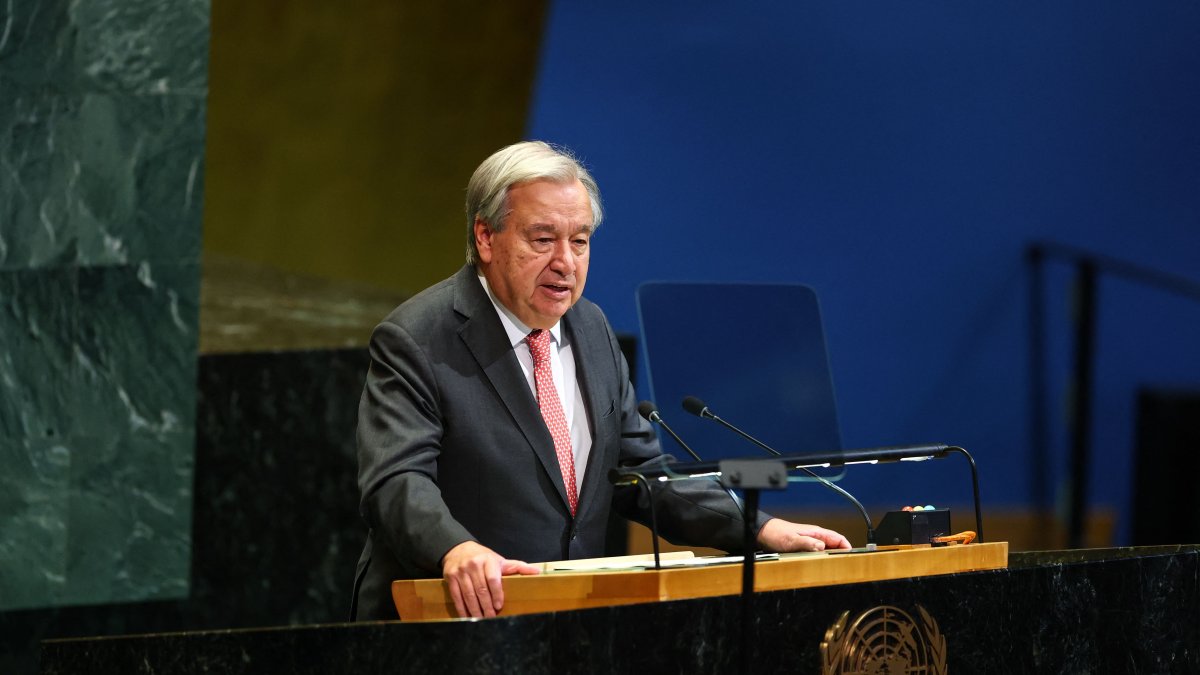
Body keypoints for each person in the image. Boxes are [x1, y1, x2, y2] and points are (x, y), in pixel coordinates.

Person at [351, 140, 850, 621]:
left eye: (580, 240)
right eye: (543, 239)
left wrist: (761, 529)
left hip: (569, 621)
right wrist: (455, 548)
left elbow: (645, 477)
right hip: (444, 619)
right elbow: (396, 479)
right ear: (485, 237)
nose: (565, 262)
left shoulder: (590, 330)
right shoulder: (417, 337)